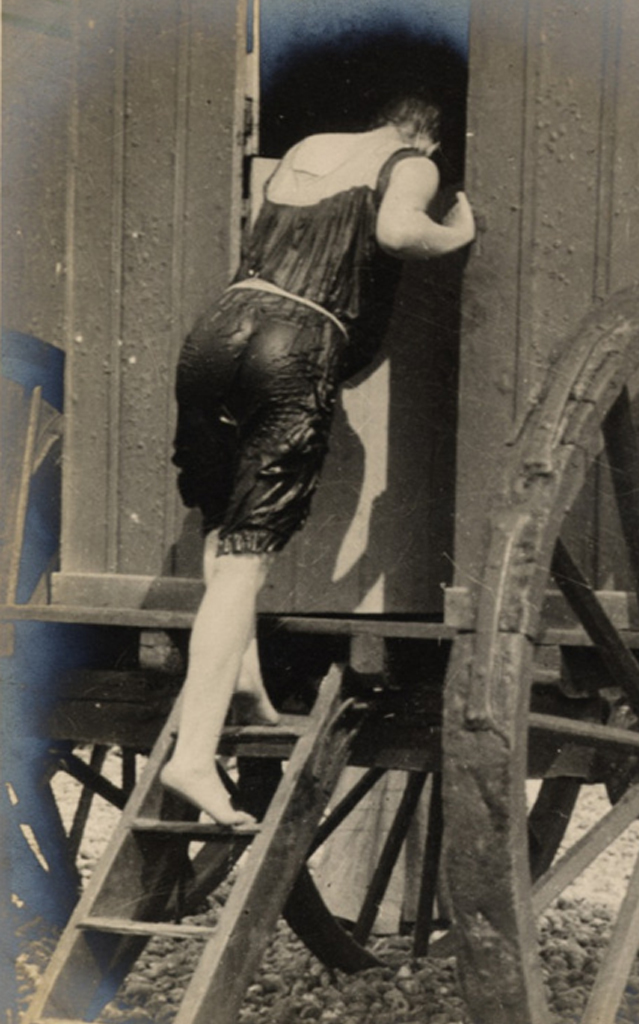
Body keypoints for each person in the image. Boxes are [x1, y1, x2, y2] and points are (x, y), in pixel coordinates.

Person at [161, 96, 475, 826]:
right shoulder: (412, 160)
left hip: (218, 329)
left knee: (221, 520)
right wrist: (456, 232)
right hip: (295, 340)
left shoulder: (309, 144)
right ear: (427, 134)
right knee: (247, 558)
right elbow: (398, 232)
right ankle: (194, 757)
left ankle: (244, 681)